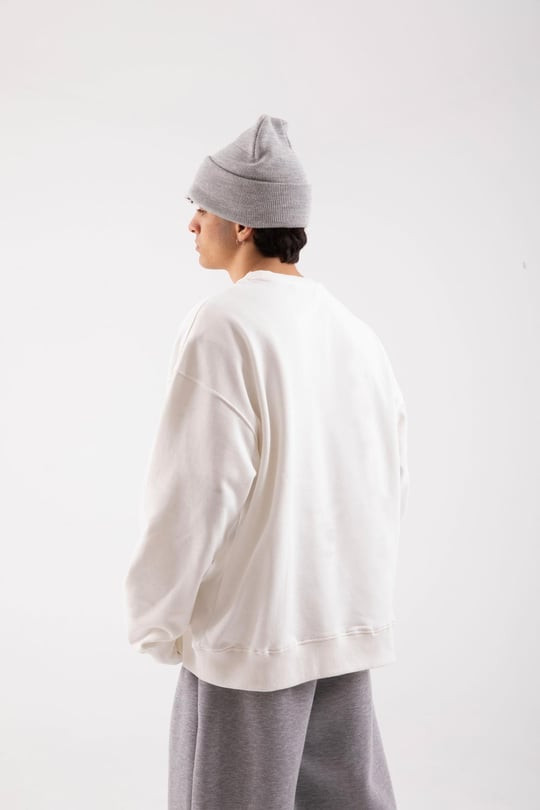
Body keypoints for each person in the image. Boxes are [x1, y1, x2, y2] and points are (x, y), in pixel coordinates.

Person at [123, 113, 410, 809]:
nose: (192, 223)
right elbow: (388, 478)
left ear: (244, 222)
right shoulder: (356, 333)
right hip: (340, 626)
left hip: (250, 640)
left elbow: (195, 491)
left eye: (203, 207)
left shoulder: (225, 324)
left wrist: (156, 617)